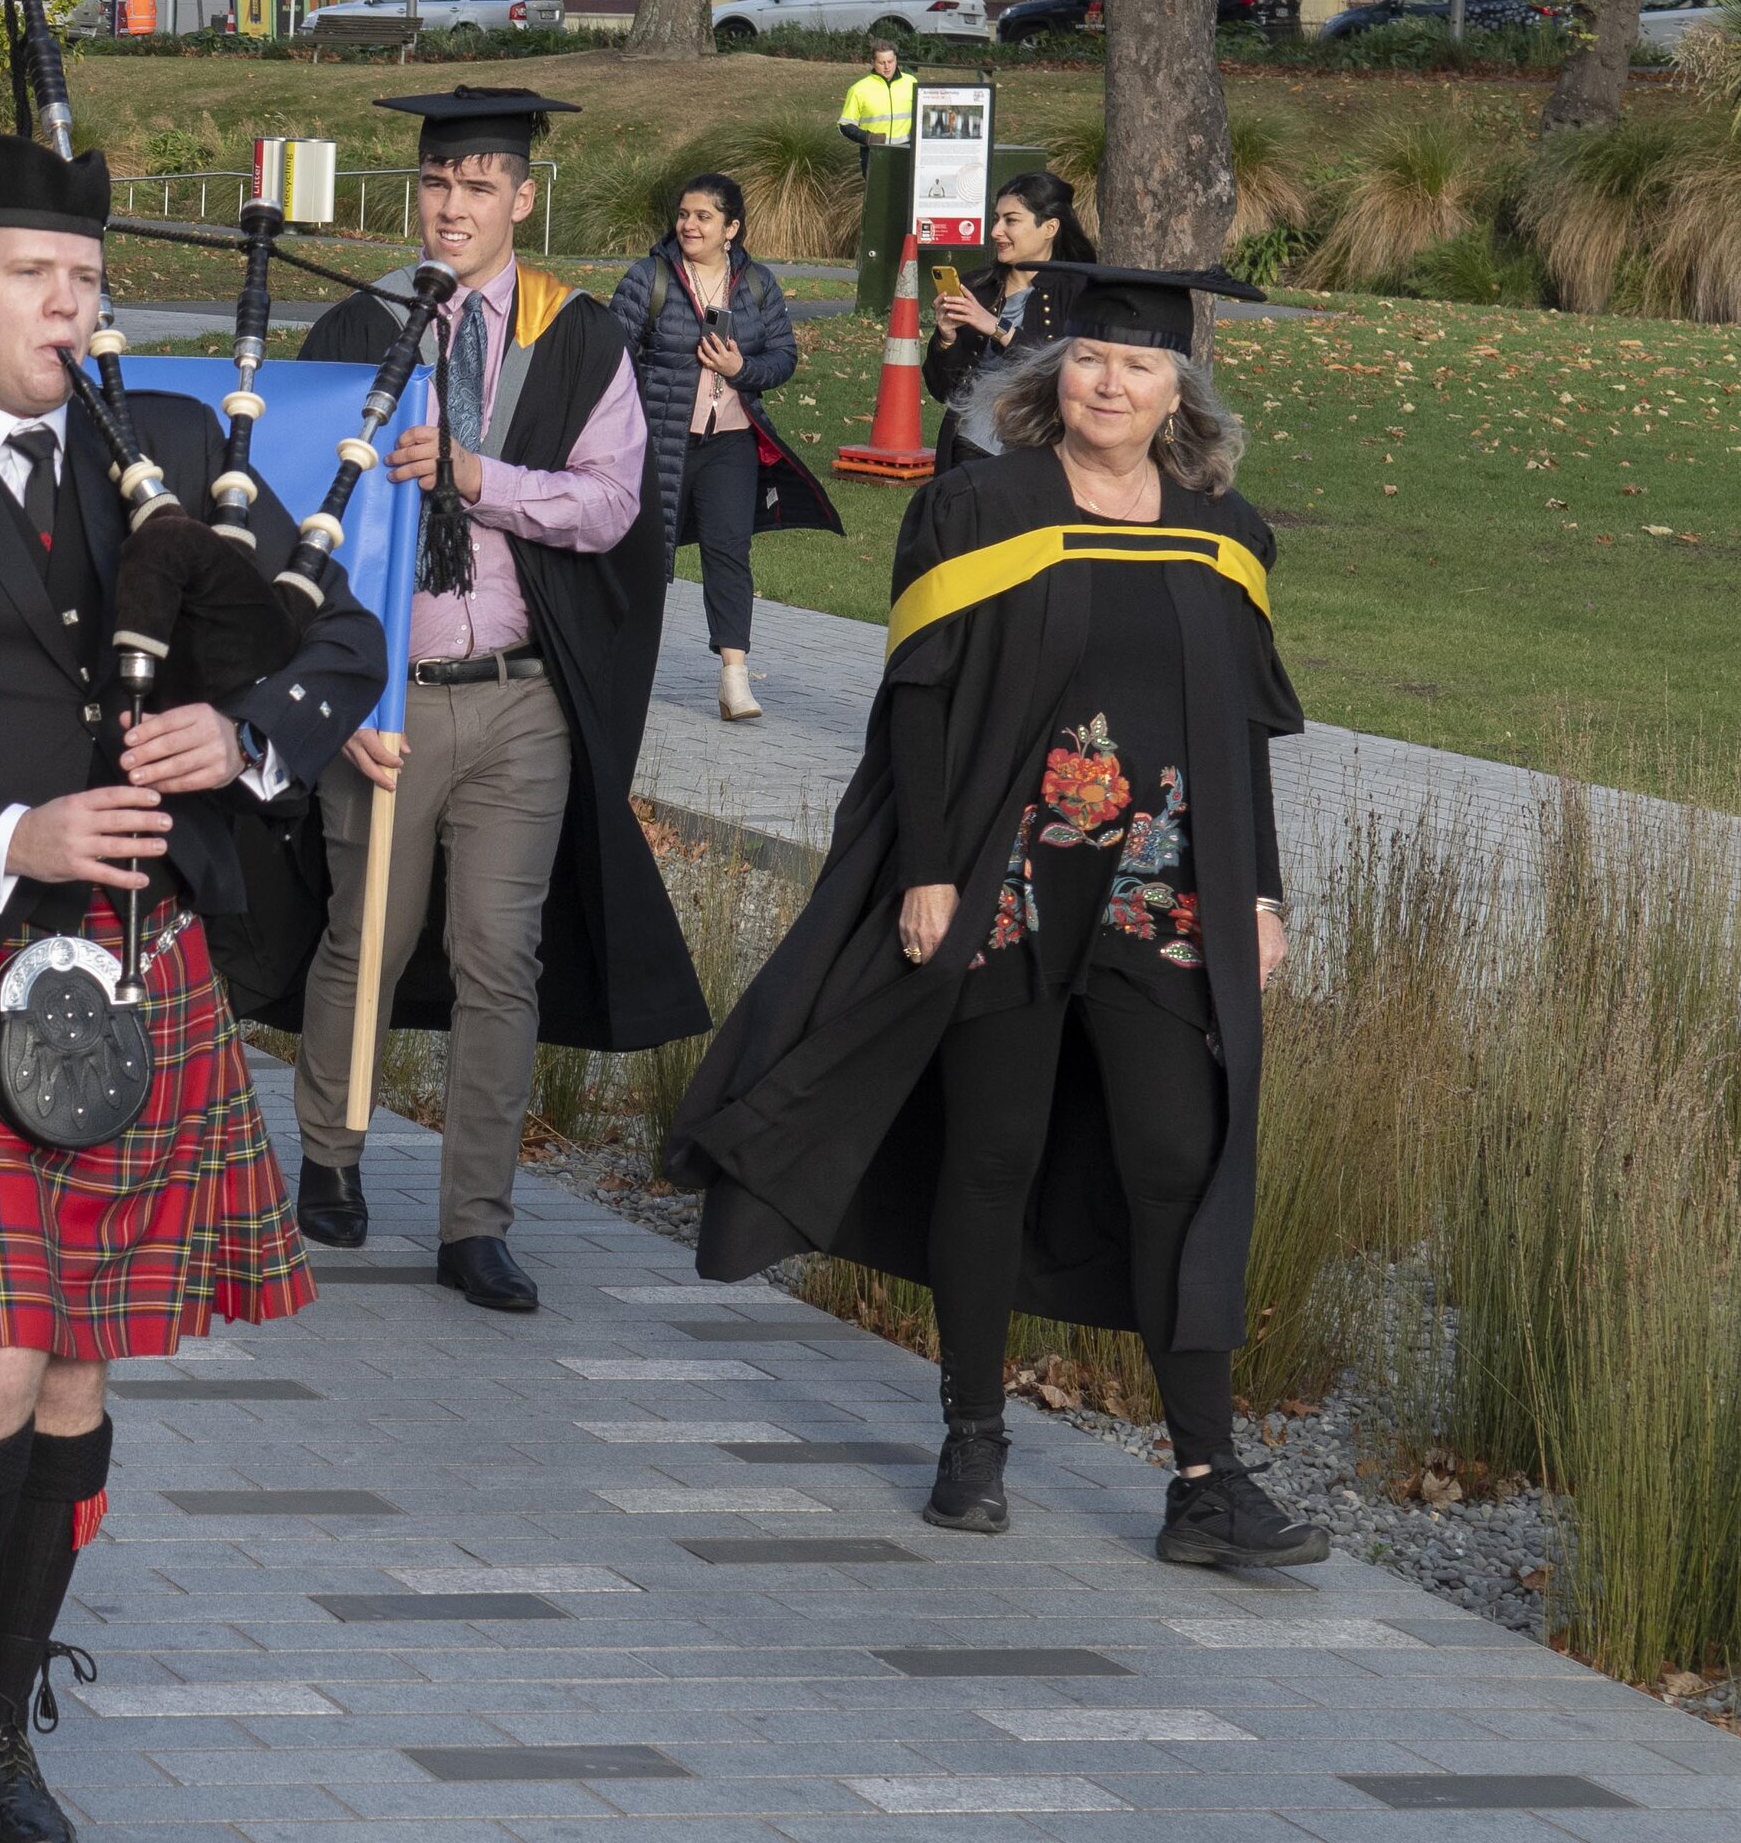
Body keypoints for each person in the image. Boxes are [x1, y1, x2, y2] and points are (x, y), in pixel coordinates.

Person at [0, 133, 381, 1843]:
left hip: (136, 967)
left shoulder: (166, 448)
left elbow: (338, 644)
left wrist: (240, 735)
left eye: (88, 279)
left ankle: (1, 1723)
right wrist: (3, 835)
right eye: (35, 276)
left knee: (74, 1362)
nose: (70, 307)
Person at [667, 263, 1325, 1569]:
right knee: (989, 1155)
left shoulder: (1223, 532)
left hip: (1160, 891)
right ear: (1050, 373)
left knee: (1174, 1162)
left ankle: (1206, 1482)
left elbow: (1242, 728)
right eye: (1088, 359)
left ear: (1178, 393)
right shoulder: (976, 509)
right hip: (1005, 882)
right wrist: (924, 869)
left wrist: (1259, 890)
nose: (1108, 384)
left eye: (1138, 367)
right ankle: (972, 1435)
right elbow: (915, 700)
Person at [287, 88, 704, 1291]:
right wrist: (335, 699)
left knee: (499, 957)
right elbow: (294, 519)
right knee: (368, 936)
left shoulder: (576, 334)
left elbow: (614, 505)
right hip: (388, 698)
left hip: (523, 698)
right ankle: (331, 1156)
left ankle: (475, 1220)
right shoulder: (355, 326)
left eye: (479, 187)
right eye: (436, 184)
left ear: (523, 198)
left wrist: (480, 477)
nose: (453, 207)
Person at [607, 173, 833, 723]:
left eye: (704, 217)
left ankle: (734, 678)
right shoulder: (649, 277)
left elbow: (783, 357)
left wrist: (740, 368)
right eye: (684, 215)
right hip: (659, 441)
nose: (689, 225)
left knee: (729, 553)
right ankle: (621, 667)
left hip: (730, 442)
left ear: (731, 228)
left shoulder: (756, 283)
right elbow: (612, 354)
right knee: (645, 556)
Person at [924, 170, 1094, 468]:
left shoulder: (1079, 291)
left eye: (1011, 220)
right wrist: (946, 339)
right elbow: (943, 390)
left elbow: (1066, 371)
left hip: (1040, 449)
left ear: (1050, 227)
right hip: (969, 446)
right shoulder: (977, 287)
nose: (996, 231)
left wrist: (998, 328)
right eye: (996, 219)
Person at [838, 38, 917, 149]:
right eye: (881, 63)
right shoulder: (858, 89)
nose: (887, 67)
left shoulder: (911, 82)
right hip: (873, 151)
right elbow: (845, 125)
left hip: (906, 150)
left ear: (896, 59)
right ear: (873, 63)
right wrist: (868, 138)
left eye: (890, 61)